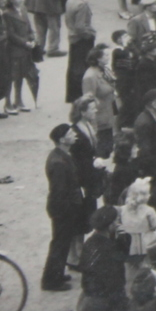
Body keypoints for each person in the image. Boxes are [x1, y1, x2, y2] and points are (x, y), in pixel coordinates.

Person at [43, 123, 86, 292]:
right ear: (62, 140)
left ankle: (57, 274)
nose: (74, 134)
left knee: (62, 243)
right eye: (70, 133)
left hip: (62, 207)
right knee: (59, 245)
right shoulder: (59, 162)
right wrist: (69, 209)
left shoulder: (60, 155)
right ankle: (51, 280)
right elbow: (60, 191)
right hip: (63, 209)